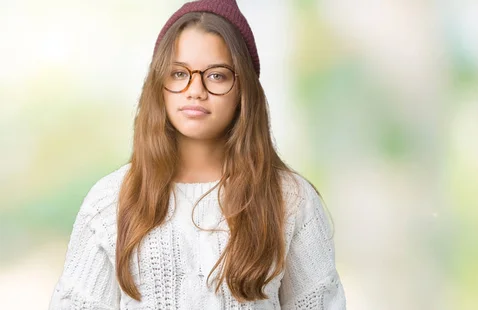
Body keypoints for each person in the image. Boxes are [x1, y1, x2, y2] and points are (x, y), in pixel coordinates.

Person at [48, 0, 346, 309]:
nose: (195, 90)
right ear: (158, 84)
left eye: (216, 75)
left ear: (243, 90)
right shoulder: (111, 201)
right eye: (179, 74)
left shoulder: (290, 200)